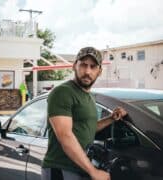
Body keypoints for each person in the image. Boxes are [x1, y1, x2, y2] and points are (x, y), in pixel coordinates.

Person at [42, 47, 127, 180]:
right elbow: (65, 136)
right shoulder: (63, 92)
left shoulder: (89, 97)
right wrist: (93, 171)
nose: (87, 71)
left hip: (80, 168)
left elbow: (87, 128)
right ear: (74, 66)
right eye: (83, 65)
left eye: (93, 67)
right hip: (61, 168)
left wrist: (111, 119)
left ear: (99, 71)